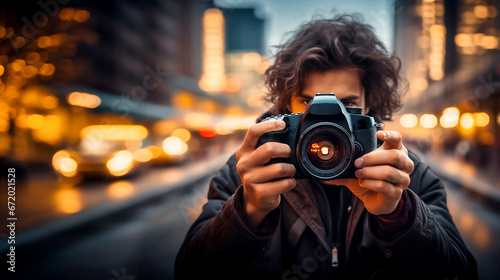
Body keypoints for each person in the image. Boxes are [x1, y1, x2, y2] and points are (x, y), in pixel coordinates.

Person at [175, 14, 477, 279]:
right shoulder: (249, 172)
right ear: (286, 107)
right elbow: (190, 272)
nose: (327, 119)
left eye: (347, 104)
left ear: (369, 106)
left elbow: (458, 273)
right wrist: (248, 211)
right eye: (308, 102)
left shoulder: (405, 175)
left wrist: (398, 214)